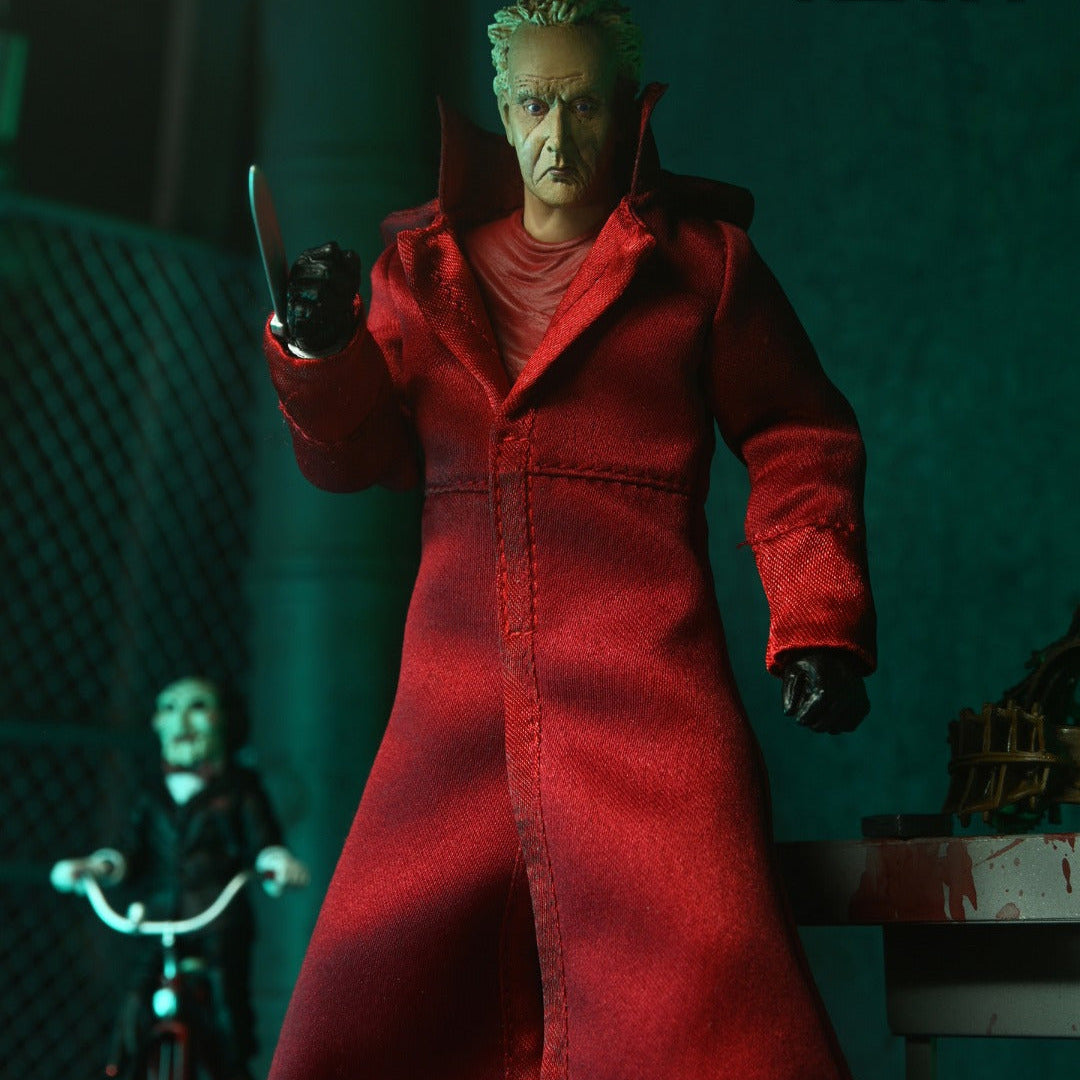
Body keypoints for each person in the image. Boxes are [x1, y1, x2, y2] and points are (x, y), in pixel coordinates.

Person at [262, 3, 876, 1077]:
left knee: (708, 982)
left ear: (628, 110)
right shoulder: (420, 270)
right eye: (536, 105)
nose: (558, 135)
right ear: (503, 112)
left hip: (647, 688)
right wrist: (318, 349)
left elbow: (798, 435)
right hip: (456, 700)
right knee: (386, 984)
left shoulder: (700, 266)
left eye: (585, 105)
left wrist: (816, 617)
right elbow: (356, 456)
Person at [51, 676, 308, 1080]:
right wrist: (98, 867)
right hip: (157, 919)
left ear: (223, 719)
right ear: (157, 723)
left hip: (215, 919)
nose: (182, 721)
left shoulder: (239, 788)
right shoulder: (151, 792)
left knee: (226, 1013)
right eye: (170, 709)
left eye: (198, 707)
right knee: (135, 1007)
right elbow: (129, 848)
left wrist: (276, 865)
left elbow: (263, 840)